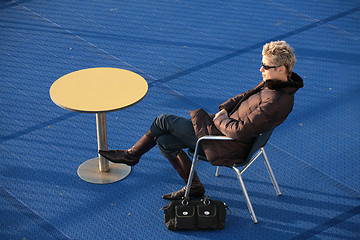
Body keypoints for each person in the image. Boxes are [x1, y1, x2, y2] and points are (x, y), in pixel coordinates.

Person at [99, 40, 304, 200]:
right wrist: (224, 109)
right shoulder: (274, 83)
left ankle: (132, 156)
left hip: (228, 143)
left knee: (163, 121)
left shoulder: (275, 101)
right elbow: (243, 96)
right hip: (223, 128)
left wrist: (220, 119)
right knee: (165, 142)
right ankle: (194, 187)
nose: (261, 69)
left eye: (265, 66)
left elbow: (241, 131)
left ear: (282, 69)